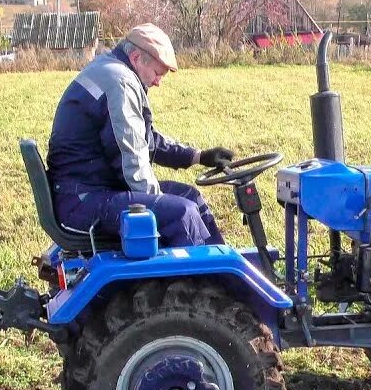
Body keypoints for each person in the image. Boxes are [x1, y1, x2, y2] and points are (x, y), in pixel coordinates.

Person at [46, 23, 234, 248]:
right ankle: (202, 281)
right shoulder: (120, 84)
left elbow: (145, 139)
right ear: (136, 58)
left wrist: (198, 156)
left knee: (190, 196)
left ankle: (222, 272)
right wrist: (158, 202)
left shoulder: (112, 70)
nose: (158, 82)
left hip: (90, 189)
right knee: (182, 214)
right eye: (157, 73)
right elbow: (131, 161)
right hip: (82, 201)